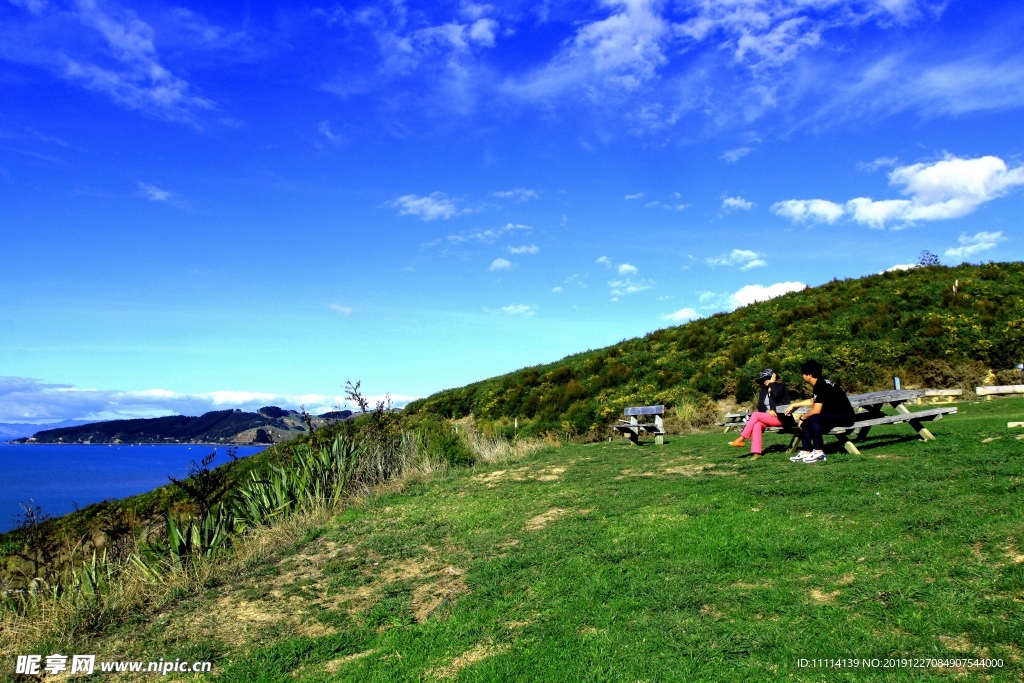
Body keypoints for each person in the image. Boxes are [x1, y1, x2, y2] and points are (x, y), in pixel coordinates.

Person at [784, 359, 855, 464]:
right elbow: (814, 401)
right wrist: (794, 404)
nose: (802, 376)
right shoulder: (821, 383)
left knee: (813, 418)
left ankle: (818, 452)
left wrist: (802, 417)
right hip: (835, 415)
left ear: (809, 375)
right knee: (808, 420)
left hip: (845, 416)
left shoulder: (820, 385)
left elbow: (816, 410)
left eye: (803, 373)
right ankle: (806, 451)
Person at [729, 368, 792, 459]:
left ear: (773, 377)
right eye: (763, 379)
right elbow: (760, 406)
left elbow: (776, 396)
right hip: (768, 417)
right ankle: (756, 453)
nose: (765, 380)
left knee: (755, 415)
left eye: (767, 378)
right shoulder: (763, 391)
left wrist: (772, 384)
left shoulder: (780, 387)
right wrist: (767, 411)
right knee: (757, 425)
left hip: (782, 418)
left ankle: (741, 439)